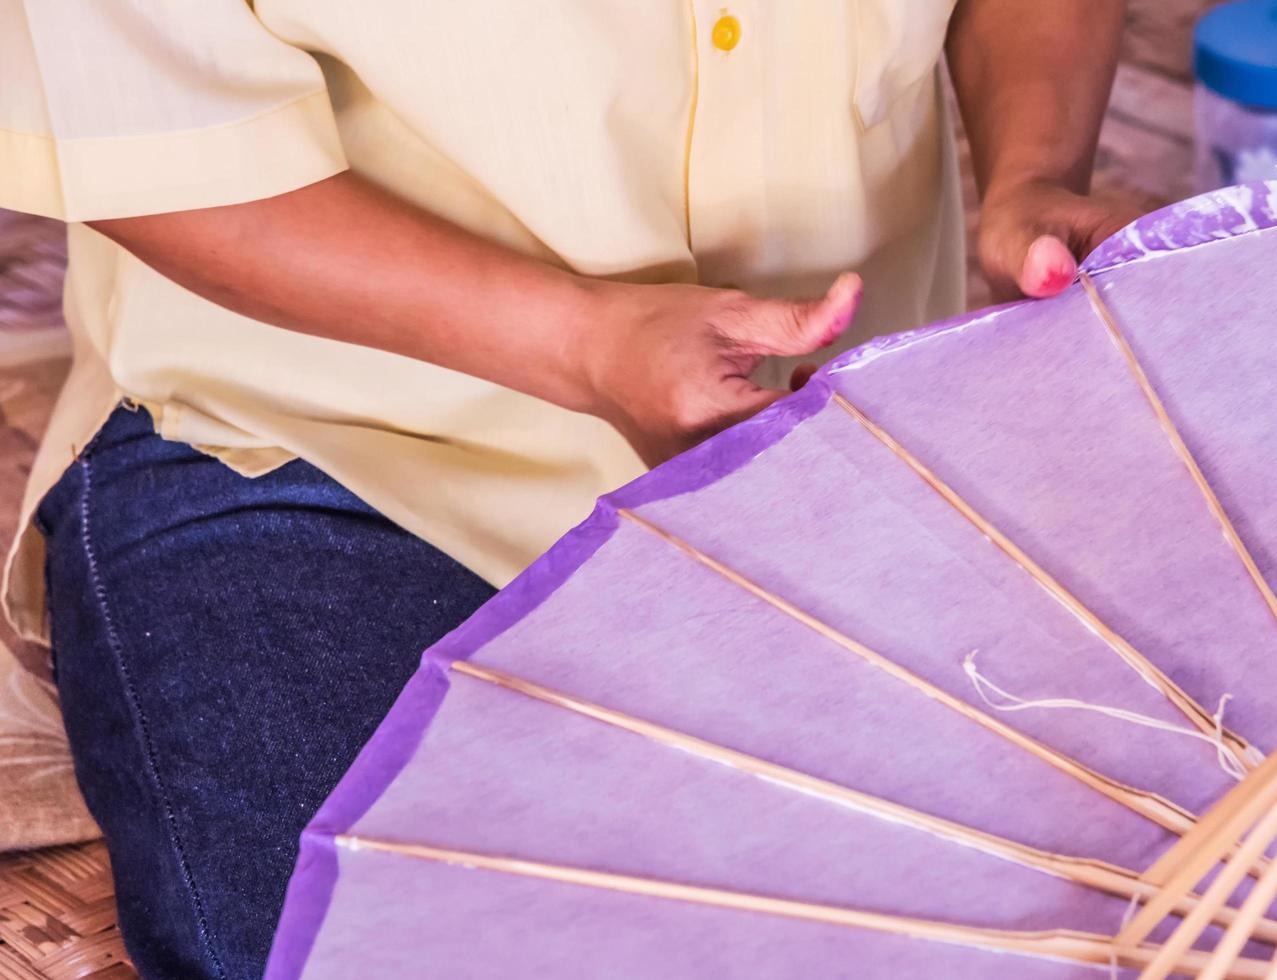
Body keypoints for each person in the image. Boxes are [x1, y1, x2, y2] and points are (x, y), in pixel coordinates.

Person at [0, 2, 1133, 977]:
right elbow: (145, 137)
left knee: (1076, 902)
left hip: (841, 430)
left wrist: (1032, 173)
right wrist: (587, 345)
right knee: (369, 944)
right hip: (325, 444)